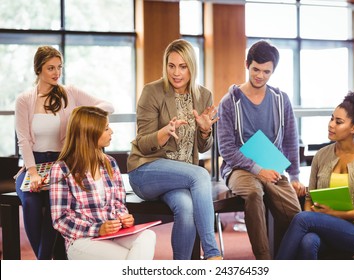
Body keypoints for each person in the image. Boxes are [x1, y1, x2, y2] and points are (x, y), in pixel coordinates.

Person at [14, 46, 114, 259]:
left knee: (54, 205)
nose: (56, 73)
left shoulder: (70, 92)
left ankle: (45, 262)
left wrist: (80, 116)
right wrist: (32, 174)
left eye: (59, 67)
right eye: (50, 68)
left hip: (62, 165)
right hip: (33, 164)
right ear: (38, 69)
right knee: (30, 203)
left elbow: (108, 106)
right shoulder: (24, 100)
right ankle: (44, 260)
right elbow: (23, 139)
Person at [127, 39, 222, 260]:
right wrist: (163, 133)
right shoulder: (152, 91)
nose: (176, 73)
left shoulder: (203, 95)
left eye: (182, 66)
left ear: (192, 67)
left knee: (186, 208)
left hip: (180, 177)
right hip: (146, 171)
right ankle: (212, 253)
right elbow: (142, 143)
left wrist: (206, 132)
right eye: (171, 66)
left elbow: (203, 146)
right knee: (200, 173)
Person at [217, 40, 304, 260]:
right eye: (256, 69)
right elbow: (227, 149)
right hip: (238, 168)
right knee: (255, 193)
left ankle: (294, 258)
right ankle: (264, 261)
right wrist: (257, 169)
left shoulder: (281, 100)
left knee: (295, 213)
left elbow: (291, 139)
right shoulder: (229, 102)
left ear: (273, 71)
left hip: (271, 165)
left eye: (267, 71)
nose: (260, 76)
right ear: (247, 64)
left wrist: (294, 175)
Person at [276, 91, 354, 260]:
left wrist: (333, 214)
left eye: (338, 122)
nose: (331, 124)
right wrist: (312, 215)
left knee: (302, 220)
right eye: (331, 118)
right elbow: (310, 197)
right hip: (320, 225)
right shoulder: (321, 155)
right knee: (309, 241)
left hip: (353, 233)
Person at [49, 106, 156, 260]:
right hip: (82, 240)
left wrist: (123, 218)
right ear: (90, 132)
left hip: (113, 233)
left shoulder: (110, 163)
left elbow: (119, 204)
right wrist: (98, 229)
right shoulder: (61, 169)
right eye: (106, 128)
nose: (111, 131)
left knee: (148, 236)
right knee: (130, 258)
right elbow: (60, 220)